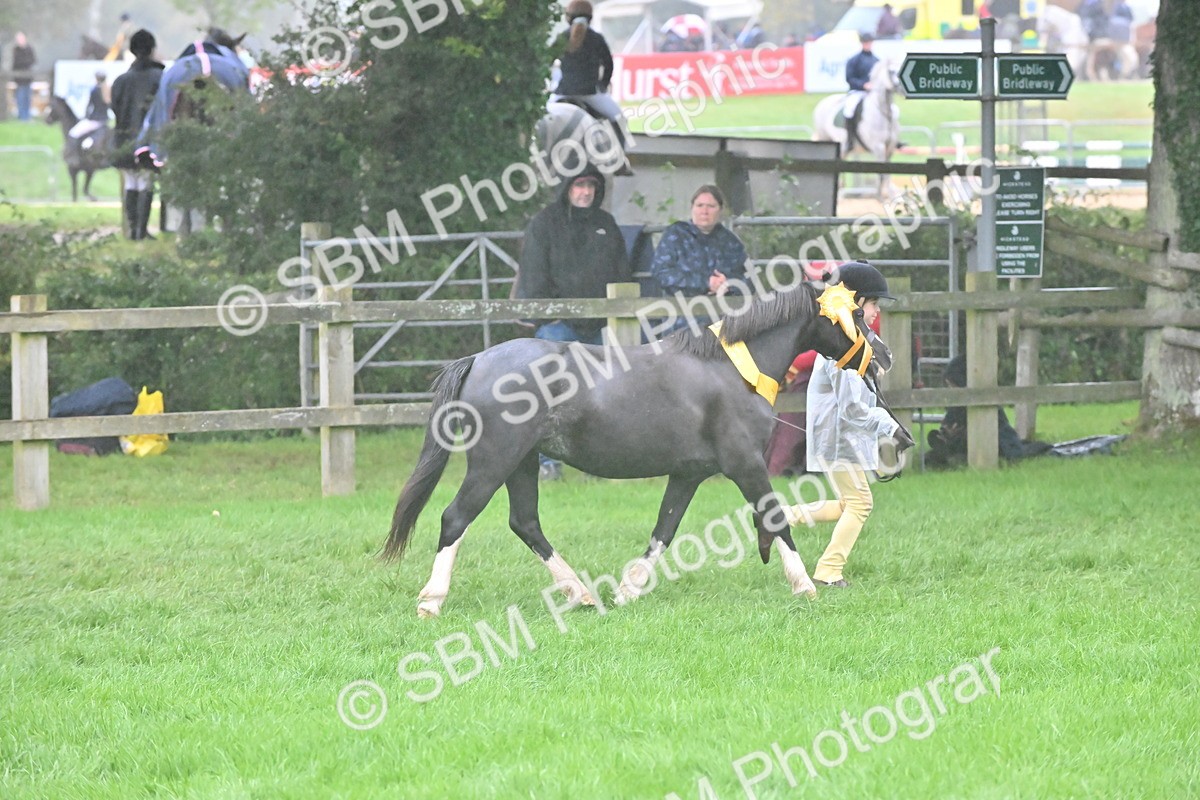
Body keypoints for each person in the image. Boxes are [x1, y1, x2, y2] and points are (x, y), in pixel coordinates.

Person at [784, 262, 905, 588]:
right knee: (861, 504)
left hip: (842, 436)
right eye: (874, 304)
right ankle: (828, 570)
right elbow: (852, 408)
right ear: (856, 303)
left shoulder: (852, 339)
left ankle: (783, 517)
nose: (878, 311)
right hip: (841, 437)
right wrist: (889, 427)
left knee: (846, 504)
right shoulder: (844, 348)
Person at [515, 163, 630, 479]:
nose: (586, 192)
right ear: (567, 188)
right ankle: (547, 465)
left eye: (591, 186)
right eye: (579, 186)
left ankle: (598, 464)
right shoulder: (544, 224)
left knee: (601, 397)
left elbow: (622, 272)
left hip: (600, 328)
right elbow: (534, 273)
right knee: (550, 396)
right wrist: (548, 315)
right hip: (557, 326)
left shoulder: (607, 224)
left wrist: (613, 313)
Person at [650, 185, 748, 333]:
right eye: (700, 205)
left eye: (711, 206)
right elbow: (661, 273)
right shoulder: (675, 235)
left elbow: (747, 279)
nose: (705, 211)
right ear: (692, 208)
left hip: (722, 325)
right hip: (681, 326)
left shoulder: (730, 242)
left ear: (720, 210)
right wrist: (705, 283)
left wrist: (728, 285)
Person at [925, 355, 1051, 468]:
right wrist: (948, 434)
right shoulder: (955, 407)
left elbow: (1002, 436)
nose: (951, 390)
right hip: (962, 445)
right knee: (932, 456)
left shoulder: (990, 407)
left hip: (996, 444)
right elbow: (949, 424)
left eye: (953, 385)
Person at [549, 1, 628, 150]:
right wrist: (603, 84)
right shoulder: (597, 39)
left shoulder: (561, 38)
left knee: (540, 120)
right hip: (590, 94)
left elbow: (547, 62)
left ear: (568, 18)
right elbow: (608, 65)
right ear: (590, 17)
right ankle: (620, 159)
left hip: (562, 93)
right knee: (619, 119)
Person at [111, 29, 164, 240]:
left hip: (123, 140)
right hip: (147, 142)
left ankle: (133, 230)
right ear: (152, 49)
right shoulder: (160, 77)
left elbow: (115, 109)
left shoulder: (120, 81)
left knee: (131, 182)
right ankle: (141, 231)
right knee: (145, 183)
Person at [844, 32, 879, 154]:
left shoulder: (876, 61)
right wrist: (863, 85)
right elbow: (849, 78)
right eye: (866, 42)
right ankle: (850, 141)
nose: (868, 44)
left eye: (869, 42)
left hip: (873, 94)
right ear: (862, 43)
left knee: (892, 109)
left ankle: (893, 138)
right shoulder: (854, 60)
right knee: (849, 109)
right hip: (857, 92)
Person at [11, 32, 35, 121]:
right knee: (20, 98)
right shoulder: (16, 50)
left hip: (28, 79)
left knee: (27, 99)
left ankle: (27, 116)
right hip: (19, 80)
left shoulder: (29, 49)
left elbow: (32, 60)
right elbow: (16, 63)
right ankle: (22, 117)